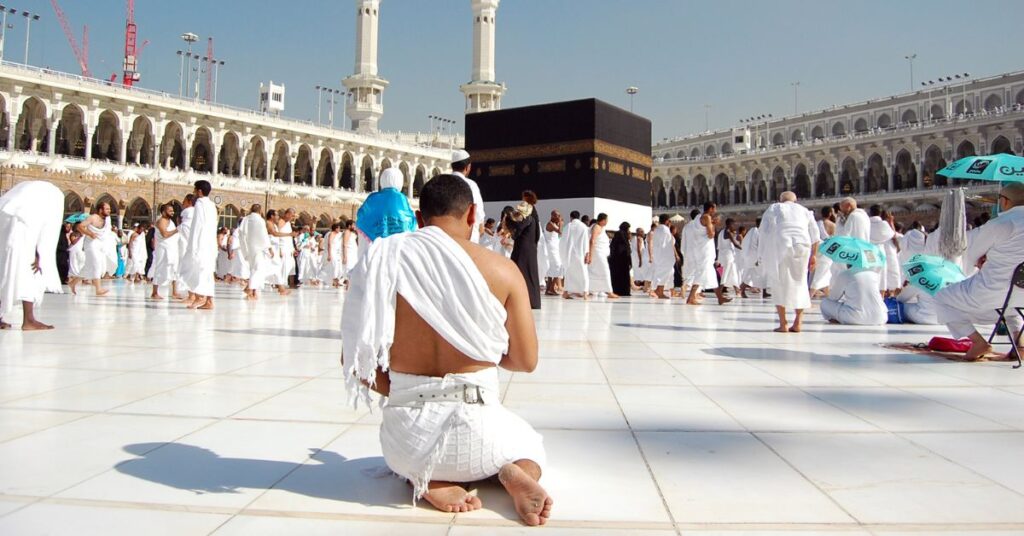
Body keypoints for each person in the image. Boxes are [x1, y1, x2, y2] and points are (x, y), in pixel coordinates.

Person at [340, 174, 550, 524]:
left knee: (410, 455)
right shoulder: (503, 270)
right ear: (471, 215)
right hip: (484, 434)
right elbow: (526, 361)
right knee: (531, 446)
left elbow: (356, 362)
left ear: (419, 219)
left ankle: (430, 479)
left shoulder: (382, 260)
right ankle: (514, 471)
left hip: (408, 442)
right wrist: (479, 350)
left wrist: (409, 389)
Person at [934, 183, 1024, 361]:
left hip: (992, 290)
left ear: (1005, 202)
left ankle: (978, 342)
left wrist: (983, 259)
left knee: (942, 298)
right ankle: (1020, 344)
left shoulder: (1002, 223)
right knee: (1012, 306)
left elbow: (973, 253)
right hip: (1021, 293)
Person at [0, 181, 63, 330]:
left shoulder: (15, 200)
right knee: (29, 272)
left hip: (7, 229)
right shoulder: (53, 197)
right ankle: (28, 320)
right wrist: (38, 253)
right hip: (22, 235)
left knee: (3, 272)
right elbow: (46, 230)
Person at [758, 192, 820, 332]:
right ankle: (798, 322)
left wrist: (763, 253)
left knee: (779, 282)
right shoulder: (804, 211)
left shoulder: (775, 207)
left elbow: (764, 231)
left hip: (782, 244)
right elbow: (815, 235)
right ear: (795, 200)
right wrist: (814, 256)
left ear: (780, 200)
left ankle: (783, 323)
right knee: (800, 282)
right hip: (803, 246)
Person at [179, 180, 218, 310]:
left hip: (201, 243)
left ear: (199, 191)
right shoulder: (212, 205)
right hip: (210, 244)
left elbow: (198, 226)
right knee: (208, 272)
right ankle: (210, 301)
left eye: (195, 190)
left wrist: (194, 245)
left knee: (199, 270)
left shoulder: (200, 204)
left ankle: (200, 297)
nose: (194, 193)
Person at [355, 168, 417, 242]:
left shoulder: (373, 198)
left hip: (376, 246)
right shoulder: (401, 198)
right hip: (397, 245)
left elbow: (362, 216)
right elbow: (410, 220)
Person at [684, 204, 729, 305]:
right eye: (715, 208)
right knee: (701, 272)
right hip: (705, 251)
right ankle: (691, 298)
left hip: (700, 249)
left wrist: (712, 222)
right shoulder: (707, 217)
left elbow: (702, 229)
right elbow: (710, 234)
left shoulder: (698, 218)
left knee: (711, 274)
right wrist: (714, 224)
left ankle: (720, 298)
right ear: (711, 208)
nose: (715, 211)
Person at [507, 191, 542, 309]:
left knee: (519, 271)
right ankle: (532, 301)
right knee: (529, 273)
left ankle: (522, 300)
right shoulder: (533, 215)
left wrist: (509, 219)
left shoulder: (528, 215)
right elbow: (536, 234)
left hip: (523, 248)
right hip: (530, 248)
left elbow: (519, 227)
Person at [820, 268, 887, 325]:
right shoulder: (874, 274)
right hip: (880, 317)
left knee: (824, 303)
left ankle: (837, 320)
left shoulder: (845, 274)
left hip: (856, 318)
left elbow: (833, 298)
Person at [239, 204, 279, 300]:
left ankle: (253, 292)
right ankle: (250, 289)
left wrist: (244, 246)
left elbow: (241, 233)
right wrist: (269, 248)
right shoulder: (260, 220)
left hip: (249, 247)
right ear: (260, 211)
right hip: (258, 248)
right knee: (258, 269)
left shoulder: (246, 219)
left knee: (254, 269)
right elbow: (264, 235)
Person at [75, 201, 113, 296]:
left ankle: (73, 283)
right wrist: (90, 233)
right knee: (96, 264)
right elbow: (79, 226)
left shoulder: (107, 220)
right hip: (91, 244)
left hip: (100, 245)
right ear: (101, 210)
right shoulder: (92, 218)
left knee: (88, 266)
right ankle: (98, 289)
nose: (109, 211)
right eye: (107, 209)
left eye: (109, 209)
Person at [451, 149, 486, 243]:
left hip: (446, 234)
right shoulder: (470, 185)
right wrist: (481, 226)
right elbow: (477, 210)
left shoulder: (442, 182)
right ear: (468, 167)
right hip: (467, 235)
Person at [149, 203, 180, 300]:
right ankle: (154, 292)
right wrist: (177, 230)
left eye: (172, 210)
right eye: (170, 211)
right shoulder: (161, 221)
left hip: (172, 249)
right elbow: (165, 234)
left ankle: (174, 292)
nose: (172, 212)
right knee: (160, 268)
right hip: (163, 249)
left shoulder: (170, 221)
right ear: (163, 212)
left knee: (174, 269)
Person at [587, 213, 619, 299]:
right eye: (607, 220)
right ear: (603, 220)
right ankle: (609, 292)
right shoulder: (597, 227)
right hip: (597, 254)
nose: (607, 222)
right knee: (605, 271)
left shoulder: (600, 228)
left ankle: (591, 289)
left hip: (599, 253)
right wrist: (590, 255)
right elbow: (592, 241)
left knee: (595, 272)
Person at [868, 205, 898, 296]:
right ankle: (881, 298)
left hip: (868, 251)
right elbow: (893, 235)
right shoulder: (883, 224)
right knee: (881, 275)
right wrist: (891, 222)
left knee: (869, 273)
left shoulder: (866, 223)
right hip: (880, 251)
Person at [560, 210, 590, 299]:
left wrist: (564, 254)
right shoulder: (584, 227)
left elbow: (563, 241)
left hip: (569, 255)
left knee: (569, 273)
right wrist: (587, 254)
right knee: (583, 273)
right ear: (579, 217)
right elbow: (586, 241)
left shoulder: (567, 226)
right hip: (581, 254)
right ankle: (585, 293)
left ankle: (565, 292)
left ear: (571, 217)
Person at [810, 206, 836, 296]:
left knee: (825, 273)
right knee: (821, 273)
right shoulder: (833, 225)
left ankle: (829, 296)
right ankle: (810, 296)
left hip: (817, 249)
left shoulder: (817, 223)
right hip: (827, 251)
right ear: (830, 214)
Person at [649, 214, 676, 299]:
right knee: (664, 273)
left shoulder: (657, 229)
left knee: (668, 272)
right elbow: (665, 244)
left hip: (660, 255)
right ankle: (659, 290)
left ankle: (659, 289)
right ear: (667, 221)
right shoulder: (664, 229)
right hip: (664, 256)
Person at [716, 218, 742, 296]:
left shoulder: (721, 232)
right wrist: (743, 249)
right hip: (728, 255)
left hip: (723, 255)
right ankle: (719, 290)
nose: (734, 227)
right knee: (726, 273)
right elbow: (735, 244)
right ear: (729, 224)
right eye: (733, 225)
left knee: (732, 272)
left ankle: (737, 290)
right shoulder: (728, 233)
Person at [609, 221, 633, 297]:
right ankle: (623, 291)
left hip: (617, 260)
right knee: (623, 276)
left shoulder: (618, 234)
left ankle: (618, 290)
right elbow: (626, 249)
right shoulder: (622, 235)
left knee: (617, 276)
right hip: (622, 260)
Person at [543, 211, 563, 296]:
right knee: (558, 265)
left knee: (552, 268)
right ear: (553, 216)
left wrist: (558, 222)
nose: (559, 216)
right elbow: (560, 232)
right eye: (558, 215)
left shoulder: (553, 224)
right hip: (551, 248)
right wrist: (561, 223)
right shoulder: (550, 224)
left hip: (554, 247)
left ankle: (548, 289)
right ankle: (551, 288)